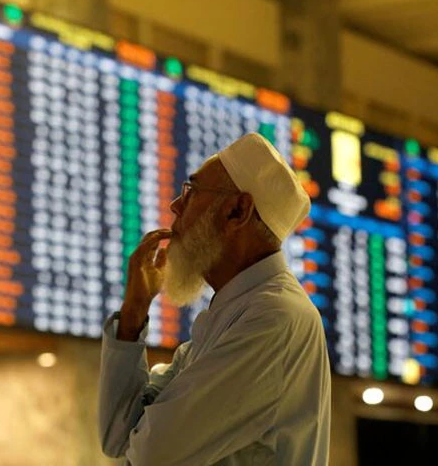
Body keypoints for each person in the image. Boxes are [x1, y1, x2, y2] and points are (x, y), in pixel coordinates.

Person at [98, 133, 331, 465]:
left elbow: (154, 454)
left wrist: (150, 427)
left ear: (237, 211)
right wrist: (135, 311)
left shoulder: (274, 317)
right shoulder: (231, 314)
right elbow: (117, 438)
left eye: (191, 193)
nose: (175, 206)